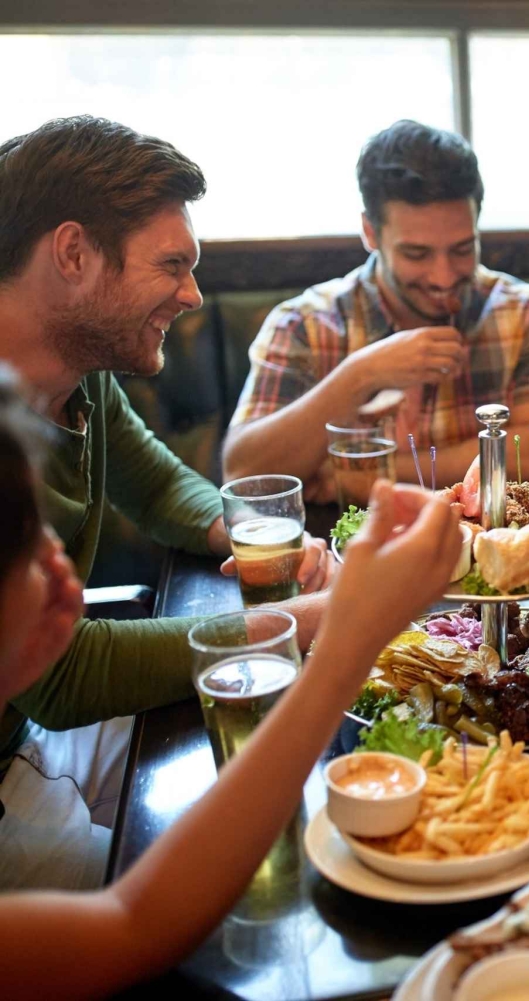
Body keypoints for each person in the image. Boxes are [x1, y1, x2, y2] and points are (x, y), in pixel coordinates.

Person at [0, 364, 463, 996]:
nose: (66, 568)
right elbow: (134, 924)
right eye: (28, 542)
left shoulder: (83, 388)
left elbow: (161, 489)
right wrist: (348, 634)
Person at [0, 116, 336, 891]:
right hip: (13, 761)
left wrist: (248, 533)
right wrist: (304, 621)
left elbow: (155, 485)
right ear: (74, 254)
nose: (192, 294)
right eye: (173, 265)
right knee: (224, 898)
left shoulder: (77, 371)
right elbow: (58, 676)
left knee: (283, 779)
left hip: (35, 732)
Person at [223, 119, 529, 499]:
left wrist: (372, 475)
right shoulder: (305, 324)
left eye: (462, 249)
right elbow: (245, 474)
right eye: (417, 253)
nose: (443, 277)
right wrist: (362, 374)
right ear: (371, 233)